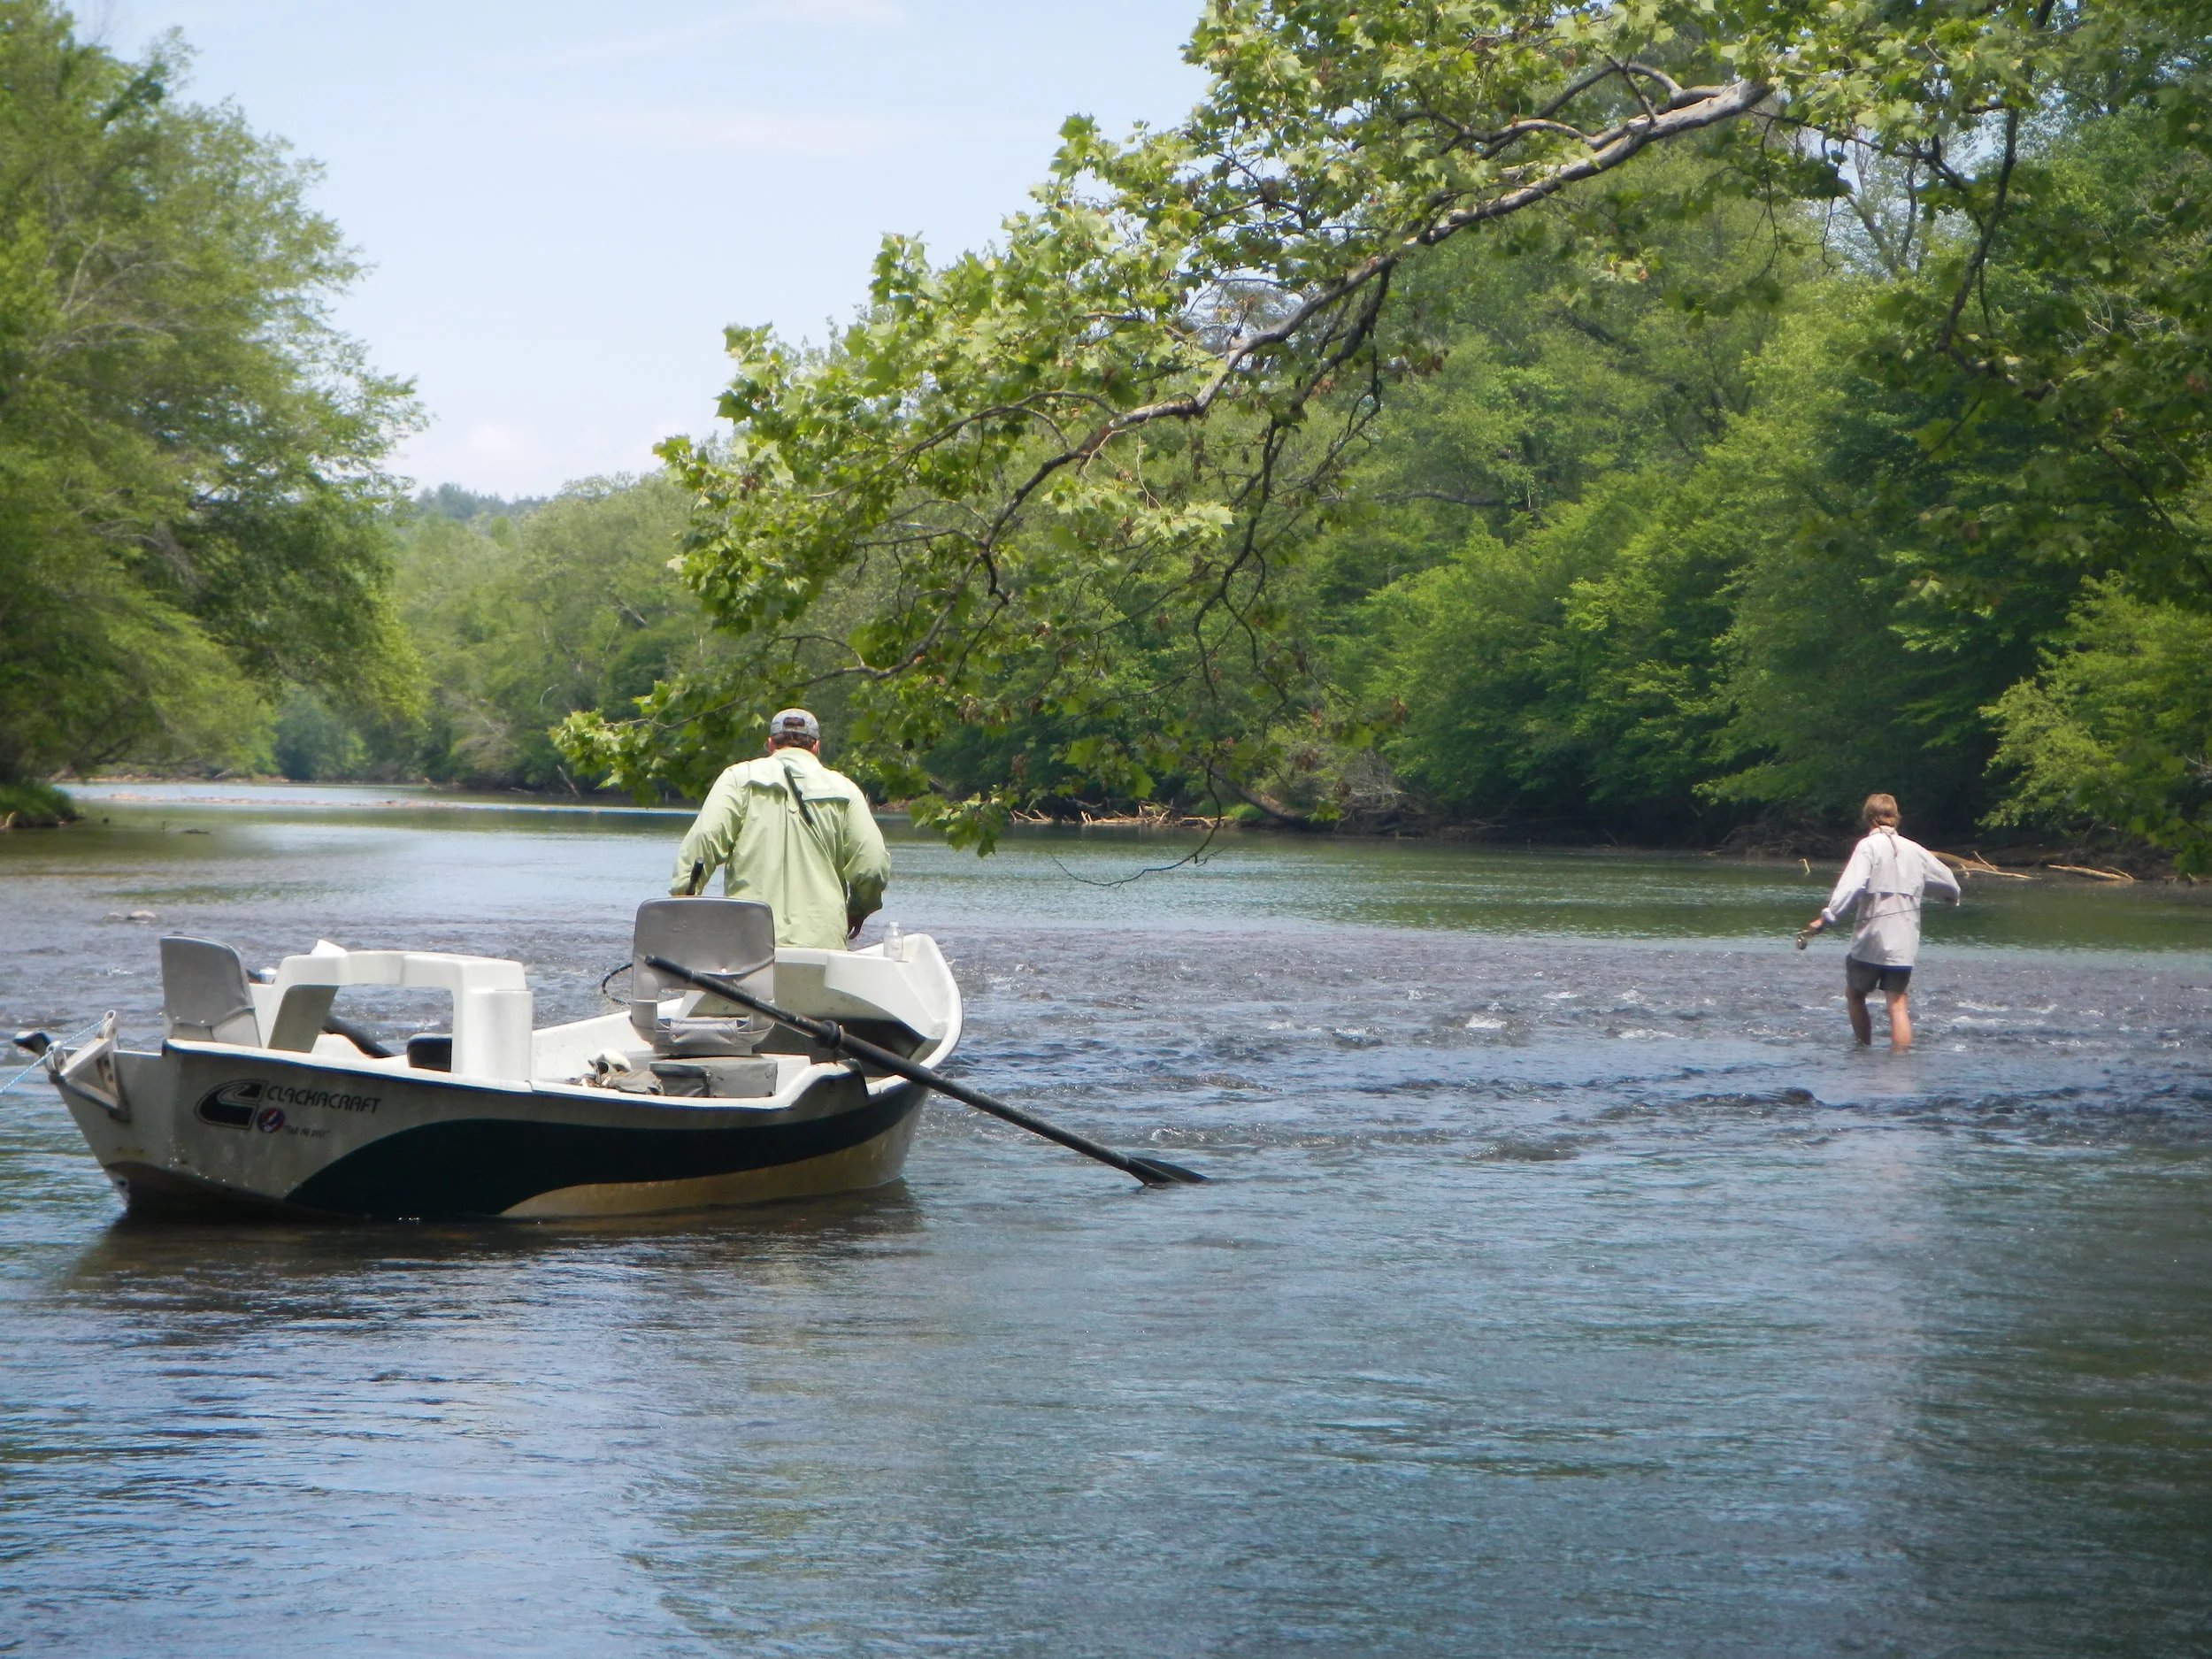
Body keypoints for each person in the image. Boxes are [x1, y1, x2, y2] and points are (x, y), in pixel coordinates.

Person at [670, 709, 891, 950]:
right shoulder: (846, 790)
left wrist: (684, 900)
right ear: (816, 746)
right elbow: (872, 864)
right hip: (822, 942)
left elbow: (704, 840)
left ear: (770, 744)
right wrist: (858, 909)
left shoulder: (737, 778)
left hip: (749, 941)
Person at [1801, 793, 1961, 1050]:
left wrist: (1827, 918)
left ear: (1868, 818)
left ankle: (1862, 1049)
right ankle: (1899, 1063)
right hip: (1904, 942)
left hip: (1871, 939)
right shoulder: (1915, 849)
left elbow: (1852, 886)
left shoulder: (1867, 846)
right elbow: (1948, 882)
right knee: (1897, 1005)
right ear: (1895, 818)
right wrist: (1950, 898)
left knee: (1855, 995)